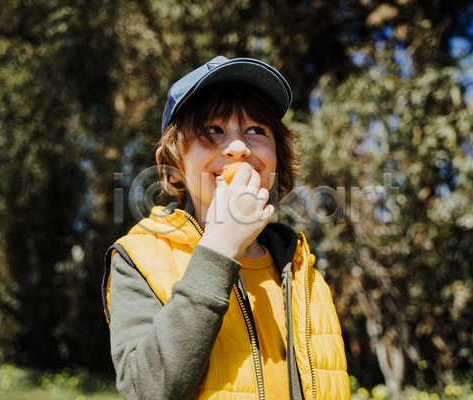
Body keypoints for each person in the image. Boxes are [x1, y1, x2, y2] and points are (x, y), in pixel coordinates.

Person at [102, 56, 350, 400]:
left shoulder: (304, 272)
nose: (238, 148)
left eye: (256, 130)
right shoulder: (139, 259)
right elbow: (145, 390)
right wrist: (218, 249)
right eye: (212, 130)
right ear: (171, 169)